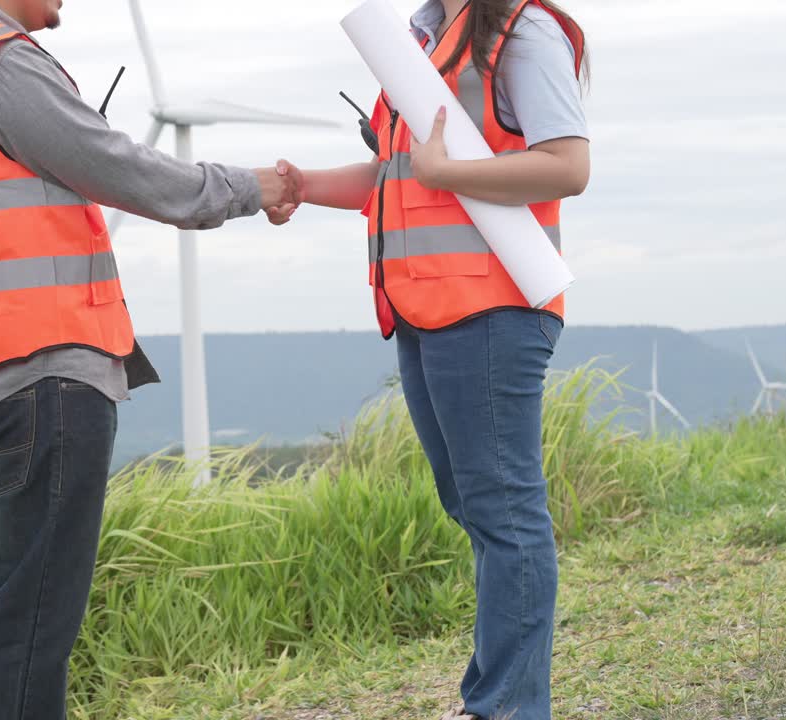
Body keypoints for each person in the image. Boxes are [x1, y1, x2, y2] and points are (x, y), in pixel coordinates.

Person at [0, 1, 300, 718]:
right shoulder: (3, 62)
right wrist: (251, 186)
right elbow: (123, 168)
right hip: (43, 373)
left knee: (11, 612)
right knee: (35, 622)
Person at [279, 1, 589, 718]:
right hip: (426, 310)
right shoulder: (421, 39)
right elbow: (401, 174)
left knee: (505, 513)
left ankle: (507, 706)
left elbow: (568, 165)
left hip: (491, 306)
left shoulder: (523, 30)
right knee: (480, 509)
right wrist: (303, 185)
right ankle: (502, 696)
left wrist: (446, 171)